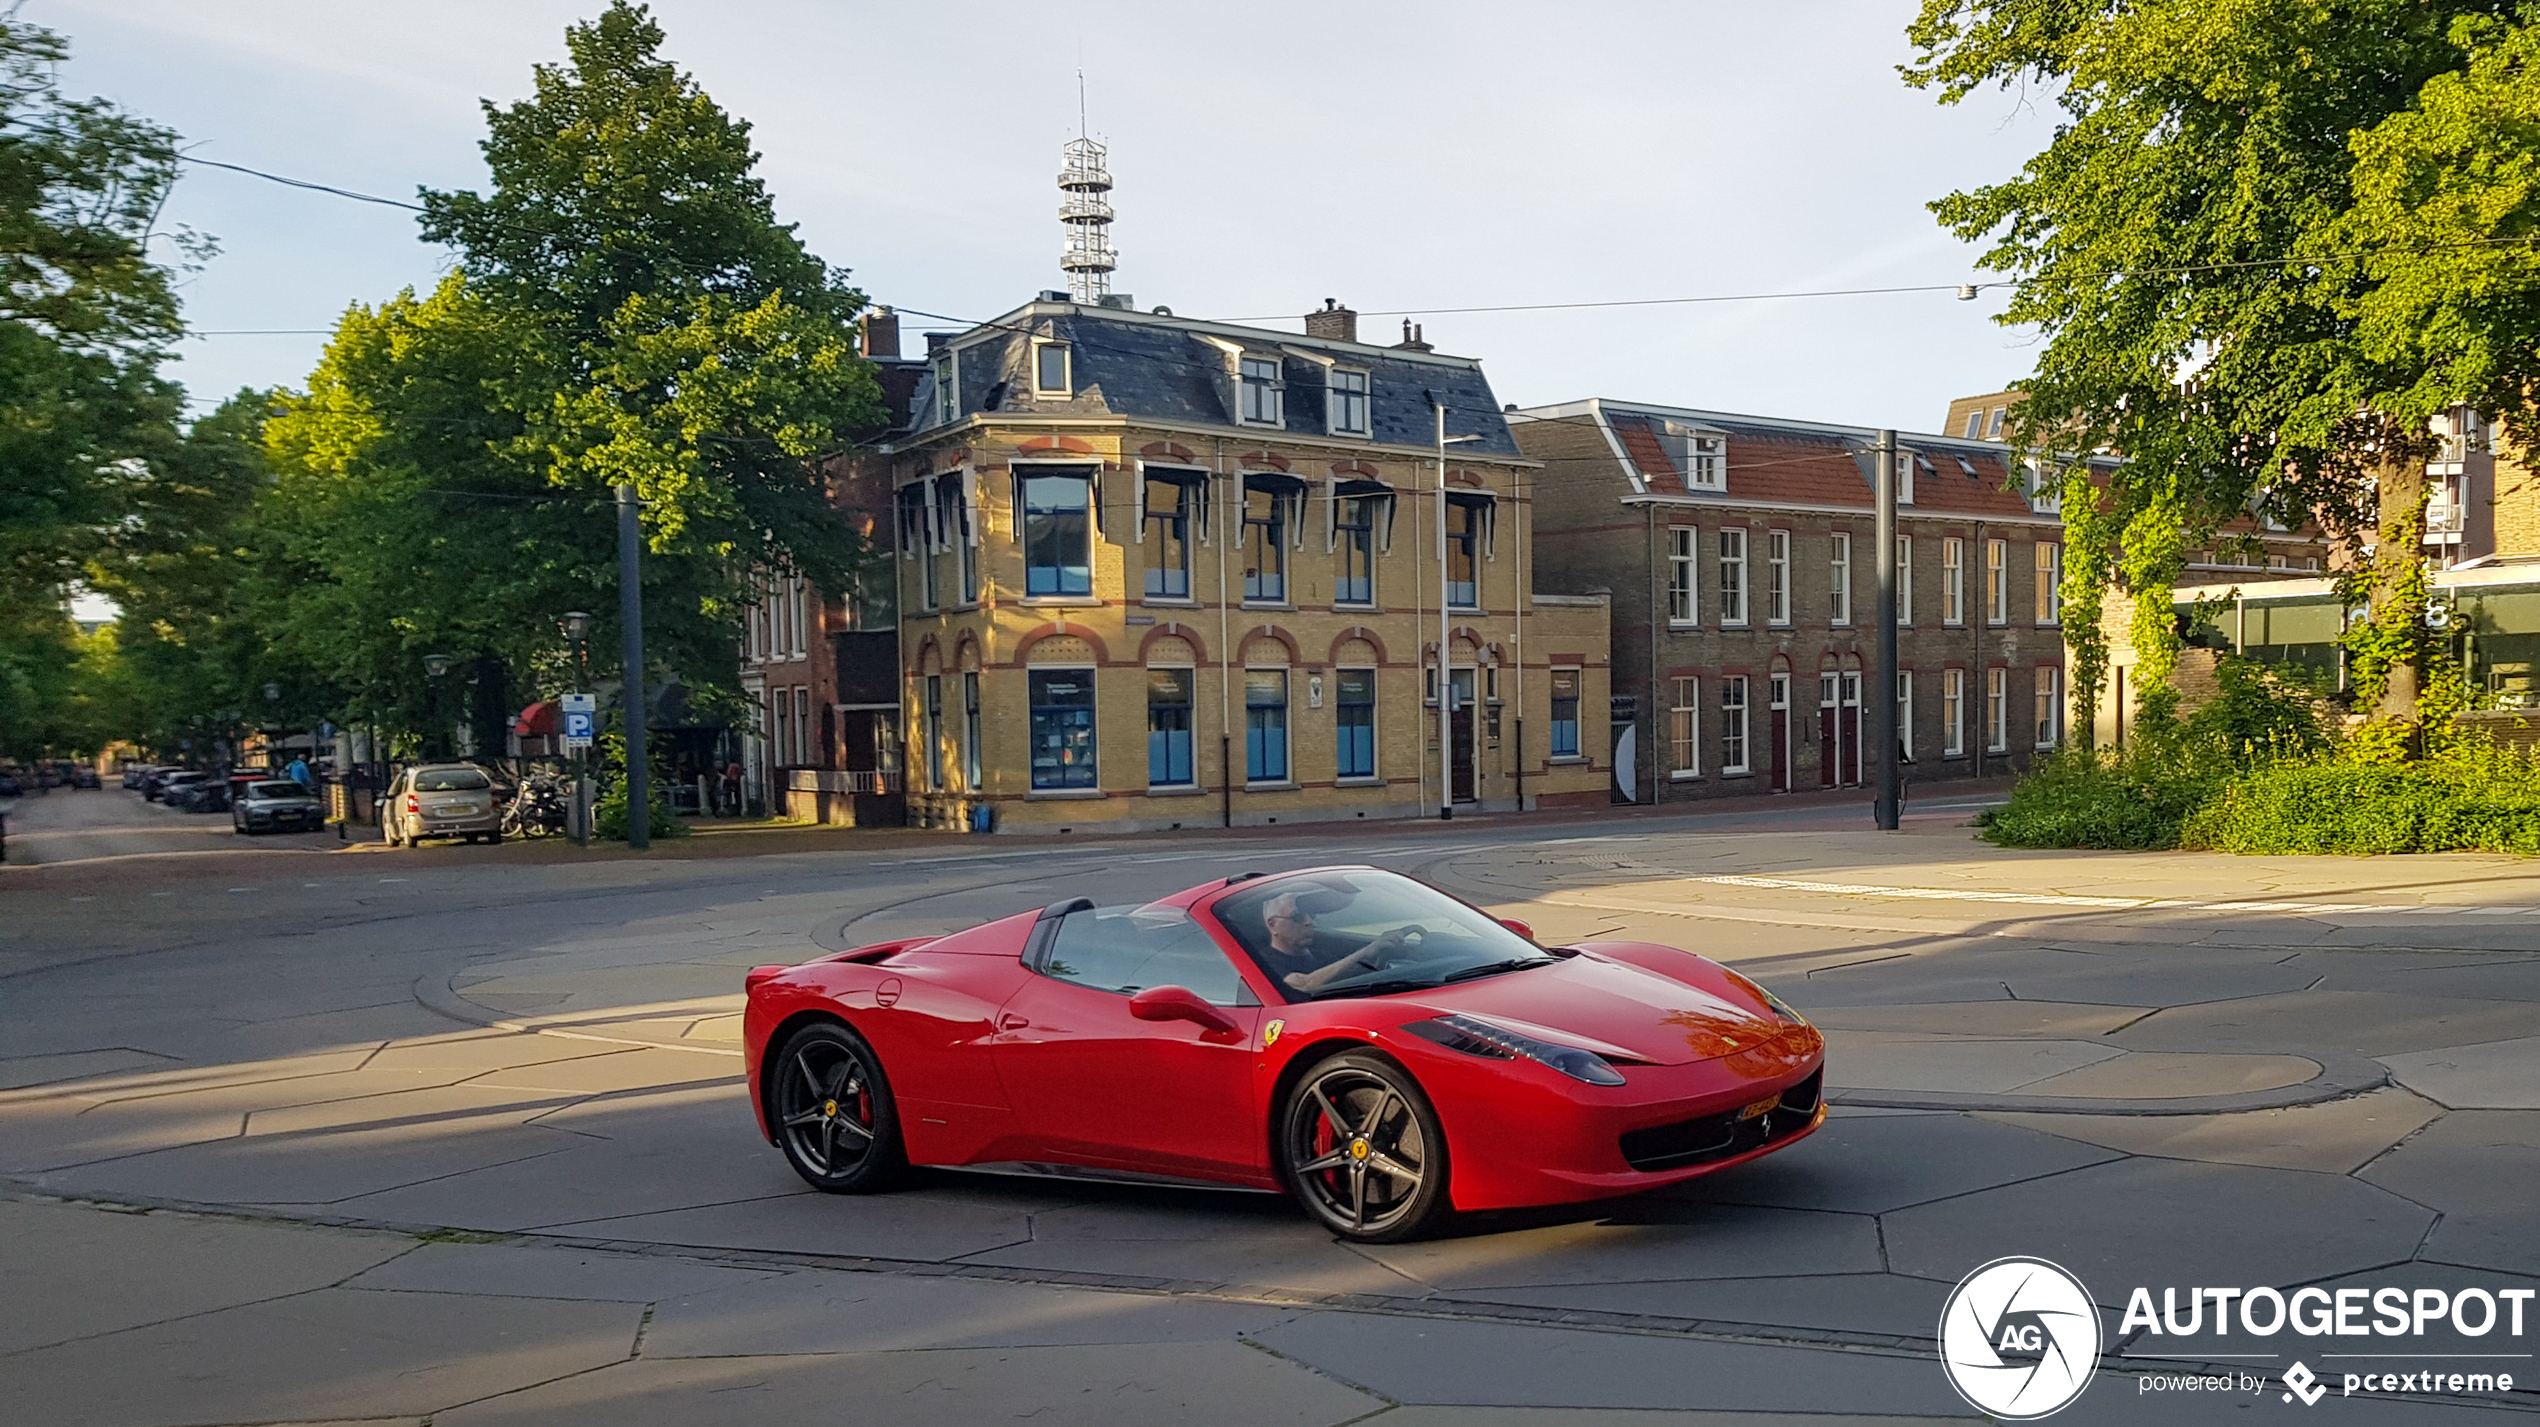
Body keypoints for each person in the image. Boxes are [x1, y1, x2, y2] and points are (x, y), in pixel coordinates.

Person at [1255, 890, 1417, 994]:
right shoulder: (1266, 964)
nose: (1309, 922)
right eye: (1298, 917)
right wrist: (1367, 951)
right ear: (1272, 925)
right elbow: (1302, 984)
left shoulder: (1321, 954)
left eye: (1311, 915)